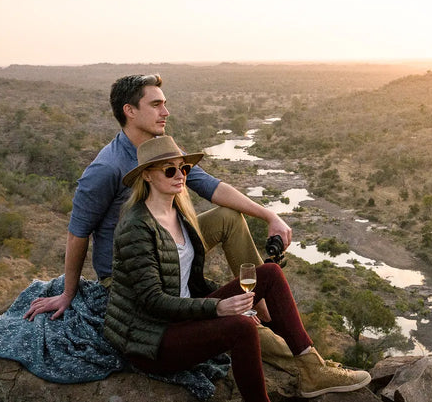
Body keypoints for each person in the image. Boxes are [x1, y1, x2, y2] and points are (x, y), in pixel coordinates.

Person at [103, 136, 371, 402]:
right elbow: (152, 300)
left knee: (270, 275)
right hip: (153, 337)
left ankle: (311, 369)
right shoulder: (135, 227)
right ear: (147, 176)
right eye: (170, 169)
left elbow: (186, 281)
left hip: (185, 316)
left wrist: (224, 303)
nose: (180, 175)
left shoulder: (178, 212)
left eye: (184, 168)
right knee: (241, 329)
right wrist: (218, 308)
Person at [25, 73, 290, 321]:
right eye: (156, 105)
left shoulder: (163, 151)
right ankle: (265, 326)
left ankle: (266, 312)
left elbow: (211, 186)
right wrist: (68, 294)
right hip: (132, 268)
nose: (166, 112)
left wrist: (270, 215)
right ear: (130, 111)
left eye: (164, 104)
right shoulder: (107, 167)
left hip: (169, 247)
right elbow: (78, 233)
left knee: (229, 218)